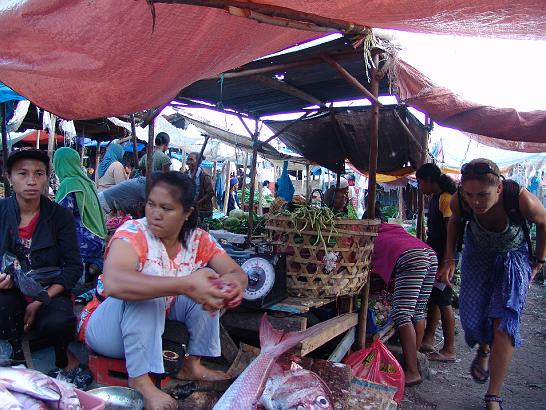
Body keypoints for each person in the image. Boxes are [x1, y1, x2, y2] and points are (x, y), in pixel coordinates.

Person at [79, 172, 248, 410]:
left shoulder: (198, 240)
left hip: (152, 327)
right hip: (106, 328)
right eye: (151, 204)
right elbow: (114, 283)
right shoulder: (133, 233)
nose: (155, 214)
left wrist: (229, 288)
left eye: (167, 208)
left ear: (187, 213)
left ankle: (192, 363)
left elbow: (237, 273)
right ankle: (140, 381)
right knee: (153, 297)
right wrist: (187, 283)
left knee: (210, 282)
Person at [438, 159, 546, 410]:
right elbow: (454, 221)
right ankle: (484, 349)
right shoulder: (459, 200)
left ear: (498, 188)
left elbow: (543, 222)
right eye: (470, 194)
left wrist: (539, 261)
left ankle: (493, 395)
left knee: (504, 322)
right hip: (478, 255)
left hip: (513, 255)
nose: (476, 202)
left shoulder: (521, 200)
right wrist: (450, 257)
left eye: (483, 195)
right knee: (473, 317)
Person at [0, 149, 86, 383]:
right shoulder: (1, 211)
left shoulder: (60, 217)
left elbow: (73, 267)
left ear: (47, 177)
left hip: (50, 290)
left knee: (59, 321)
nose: (31, 181)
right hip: (11, 292)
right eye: (22, 174)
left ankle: (63, 357)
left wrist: (39, 301)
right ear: (9, 177)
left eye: (39, 174)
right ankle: (16, 362)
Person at [372, 223, 437, 386]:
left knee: (402, 314)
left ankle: (412, 371)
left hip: (413, 259)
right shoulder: (394, 231)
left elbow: (373, 271)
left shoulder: (373, 238)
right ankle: (414, 359)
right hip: (430, 255)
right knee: (418, 311)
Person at [416, 163, 458, 362]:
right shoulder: (436, 198)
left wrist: (447, 260)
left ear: (429, 180)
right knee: (434, 297)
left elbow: (451, 231)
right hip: (437, 256)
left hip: (444, 258)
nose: (419, 186)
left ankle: (449, 348)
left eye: (420, 182)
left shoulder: (446, 199)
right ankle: (429, 339)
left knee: (444, 299)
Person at [53, 147, 108, 271]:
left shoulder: (69, 184)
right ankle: (96, 265)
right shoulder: (88, 183)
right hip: (99, 240)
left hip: (84, 245)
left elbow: (60, 218)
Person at [185, 152, 214, 224]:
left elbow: (210, 193)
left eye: (191, 160)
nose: (188, 162)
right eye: (188, 159)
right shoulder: (185, 175)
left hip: (203, 210)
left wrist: (197, 203)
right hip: (189, 209)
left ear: (198, 162)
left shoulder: (205, 176)